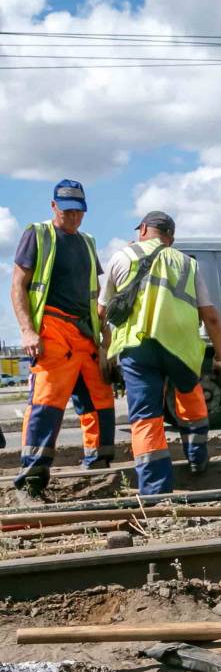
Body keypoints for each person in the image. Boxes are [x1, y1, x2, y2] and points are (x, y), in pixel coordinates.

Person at [101, 211, 221, 494]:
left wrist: (105, 351)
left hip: (137, 348)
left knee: (146, 416)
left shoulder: (121, 257)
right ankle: (197, 459)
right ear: (170, 236)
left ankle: (155, 490)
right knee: (191, 399)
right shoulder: (186, 263)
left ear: (144, 229)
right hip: (180, 348)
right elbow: (211, 316)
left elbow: (101, 311)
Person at [10, 179, 115, 495]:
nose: (73, 218)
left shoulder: (87, 242)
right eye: (67, 211)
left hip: (85, 333)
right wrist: (28, 330)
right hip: (53, 330)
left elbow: (93, 294)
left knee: (100, 401)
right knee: (47, 402)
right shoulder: (38, 234)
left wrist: (104, 336)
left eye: (78, 212)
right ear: (54, 206)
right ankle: (32, 477)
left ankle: (98, 466)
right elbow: (18, 285)